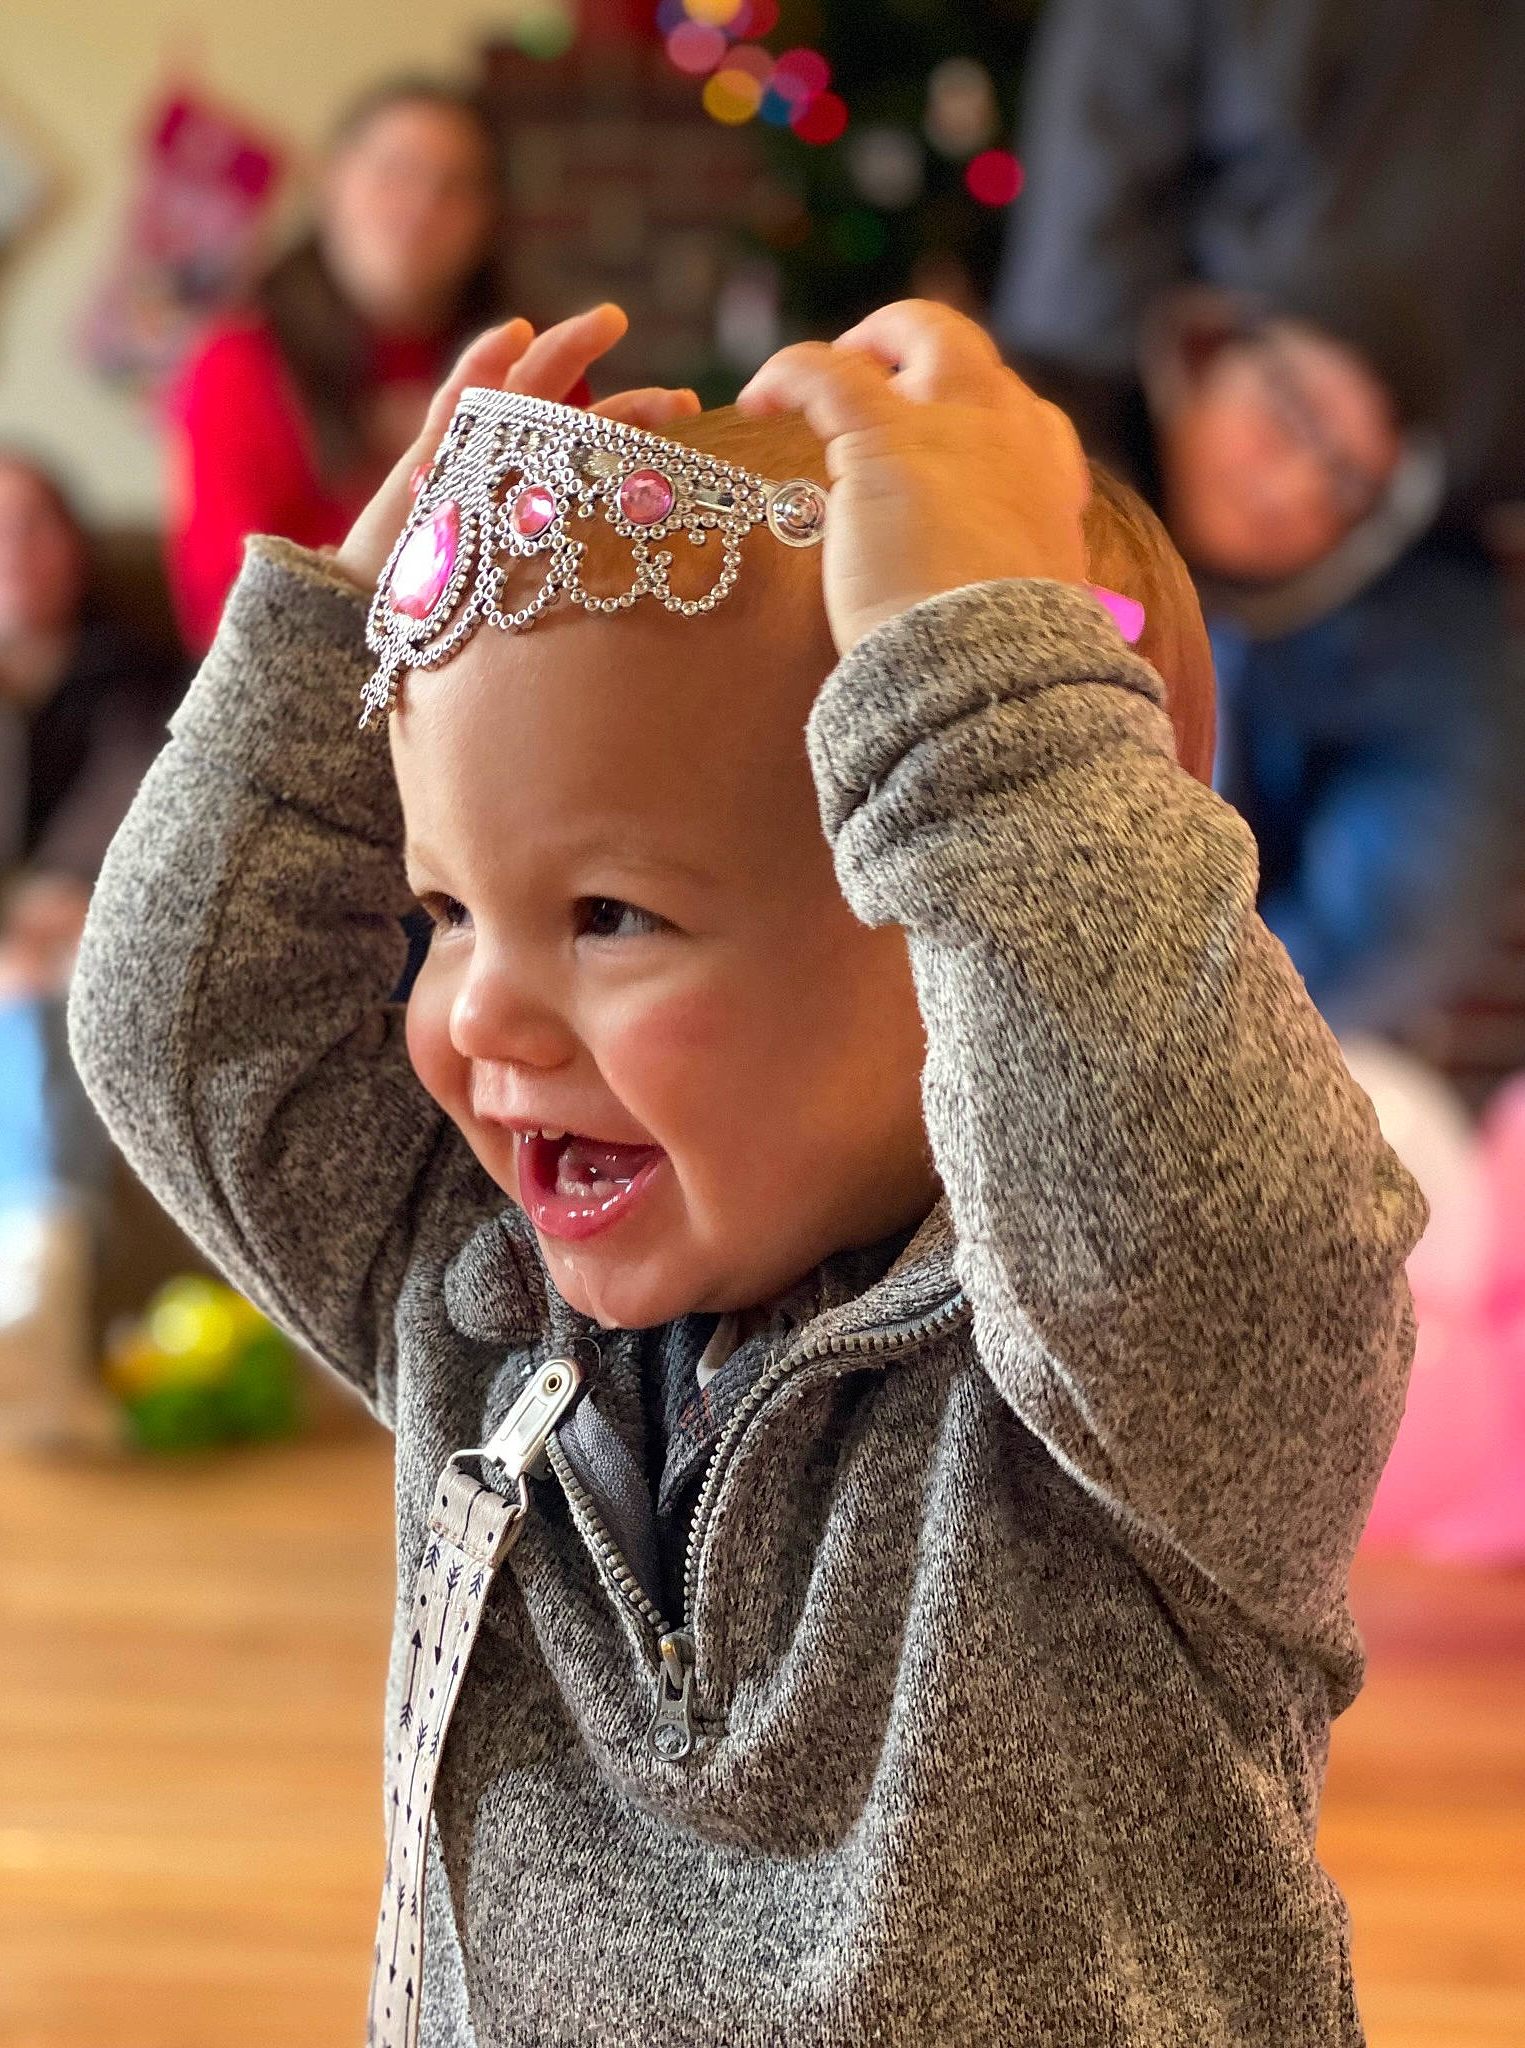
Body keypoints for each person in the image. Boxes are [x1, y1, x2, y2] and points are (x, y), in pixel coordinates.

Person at [70, 300, 1421, 2044]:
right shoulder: (478, 1313)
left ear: (959, 916)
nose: (478, 1011)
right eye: (446, 910)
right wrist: (321, 650)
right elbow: (190, 1030)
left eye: (609, 914)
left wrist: (978, 680)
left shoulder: (1140, 1407)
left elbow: (1192, 1208)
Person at [993, 0, 1525, 1038]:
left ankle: (1213, 1063)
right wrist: (1137, 411)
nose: (1294, 491)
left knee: (1421, 892)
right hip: (1156, 447)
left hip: (1433, 520)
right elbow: (1101, 159)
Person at [165, 76, 590, 654]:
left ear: (488, 219)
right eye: (396, 172)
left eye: (456, 186)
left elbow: (567, 575)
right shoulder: (237, 363)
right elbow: (222, 609)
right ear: (333, 182)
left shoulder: (530, 367)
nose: (422, 206)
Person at [0, 452, 184, 1445]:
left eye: (34, 525)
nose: (12, 551)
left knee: (50, 995)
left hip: (79, 947)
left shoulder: (135, 677)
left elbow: (132, 808)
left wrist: (55, 907)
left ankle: (38, 1280)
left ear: (74, 547)